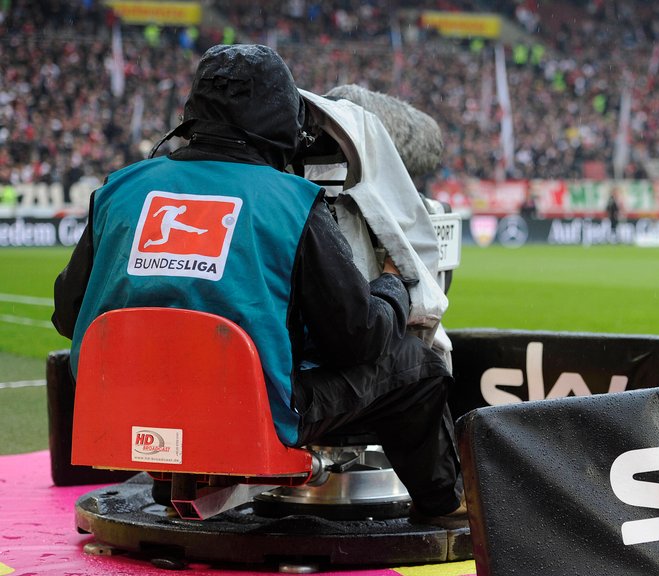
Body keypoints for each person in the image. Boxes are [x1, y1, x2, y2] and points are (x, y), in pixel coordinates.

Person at [50, 44, 464, 523]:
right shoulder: (290, 202)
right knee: (418, 364)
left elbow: (68, 316)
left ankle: (179, 476)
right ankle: (445, 508)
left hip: (121, 411)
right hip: (247, 420)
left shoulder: (119, 188)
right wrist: (392, 283)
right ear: (283, 120)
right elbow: (360, 339)